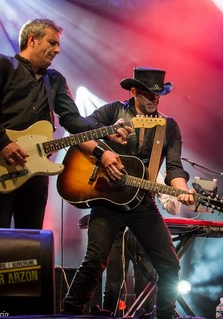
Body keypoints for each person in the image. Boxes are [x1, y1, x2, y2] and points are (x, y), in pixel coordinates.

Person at [62, 67, 195, 319]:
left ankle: (165, 314)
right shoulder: (112, 112)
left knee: (169, 265)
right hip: (107, 198)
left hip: (142, 203)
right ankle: (70, 312)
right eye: (148, 94)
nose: (154, 100)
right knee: (94, 260)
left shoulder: (169, 126)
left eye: (158, 95)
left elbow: (175, 168)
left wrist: (183, 191)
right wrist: (103, 155)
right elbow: (78, 133)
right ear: (133, 91)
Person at [0, 18, 104, 229]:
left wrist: (104, 131)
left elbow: (70, 119)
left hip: (37, 170)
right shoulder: (2, 65)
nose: (58, 50)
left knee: (31, 237)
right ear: (32, 40)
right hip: (0, 161)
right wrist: (4, 142)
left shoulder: (55, 80)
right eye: (52, 43)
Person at [101, 173, 181, 317]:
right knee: (113, 287)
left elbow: (173, 208)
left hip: (143, 237)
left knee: (144, 290)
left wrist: (174, 187)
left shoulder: (151, 168)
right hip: (118, 233)